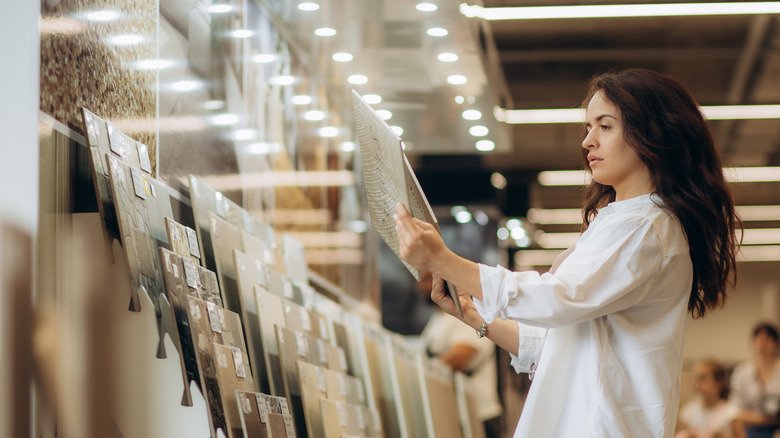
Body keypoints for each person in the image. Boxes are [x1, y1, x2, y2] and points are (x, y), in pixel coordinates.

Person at [393, 68, 740, 437]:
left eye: (605, 126)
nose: (588, 141)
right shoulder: (622, 221)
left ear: (652, 134)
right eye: (588, 128)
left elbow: (558, 300)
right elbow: (557, 342)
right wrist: (476, 316)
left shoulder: (646, 226)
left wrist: (445, 261)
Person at [417, 271, 503, 437]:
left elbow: (459, 358)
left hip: (478, 416)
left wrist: (416, 373)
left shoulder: (469, 317)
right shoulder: (438, 319)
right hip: (455, 414)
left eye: (426, 280)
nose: (420, 287)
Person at [730, 323, 780, 438]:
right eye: (759, 338)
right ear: (753, 342)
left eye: (768, 338)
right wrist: (765, 419)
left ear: (776, 343)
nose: (763, 343)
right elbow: (735, 410)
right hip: (750, 429)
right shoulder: (741, 373)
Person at [676, 359, 744, 438]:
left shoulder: (731, 412)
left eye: (703, 378)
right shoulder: (688, 412)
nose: (698, 383)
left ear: (719, 382)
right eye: (696, 378)